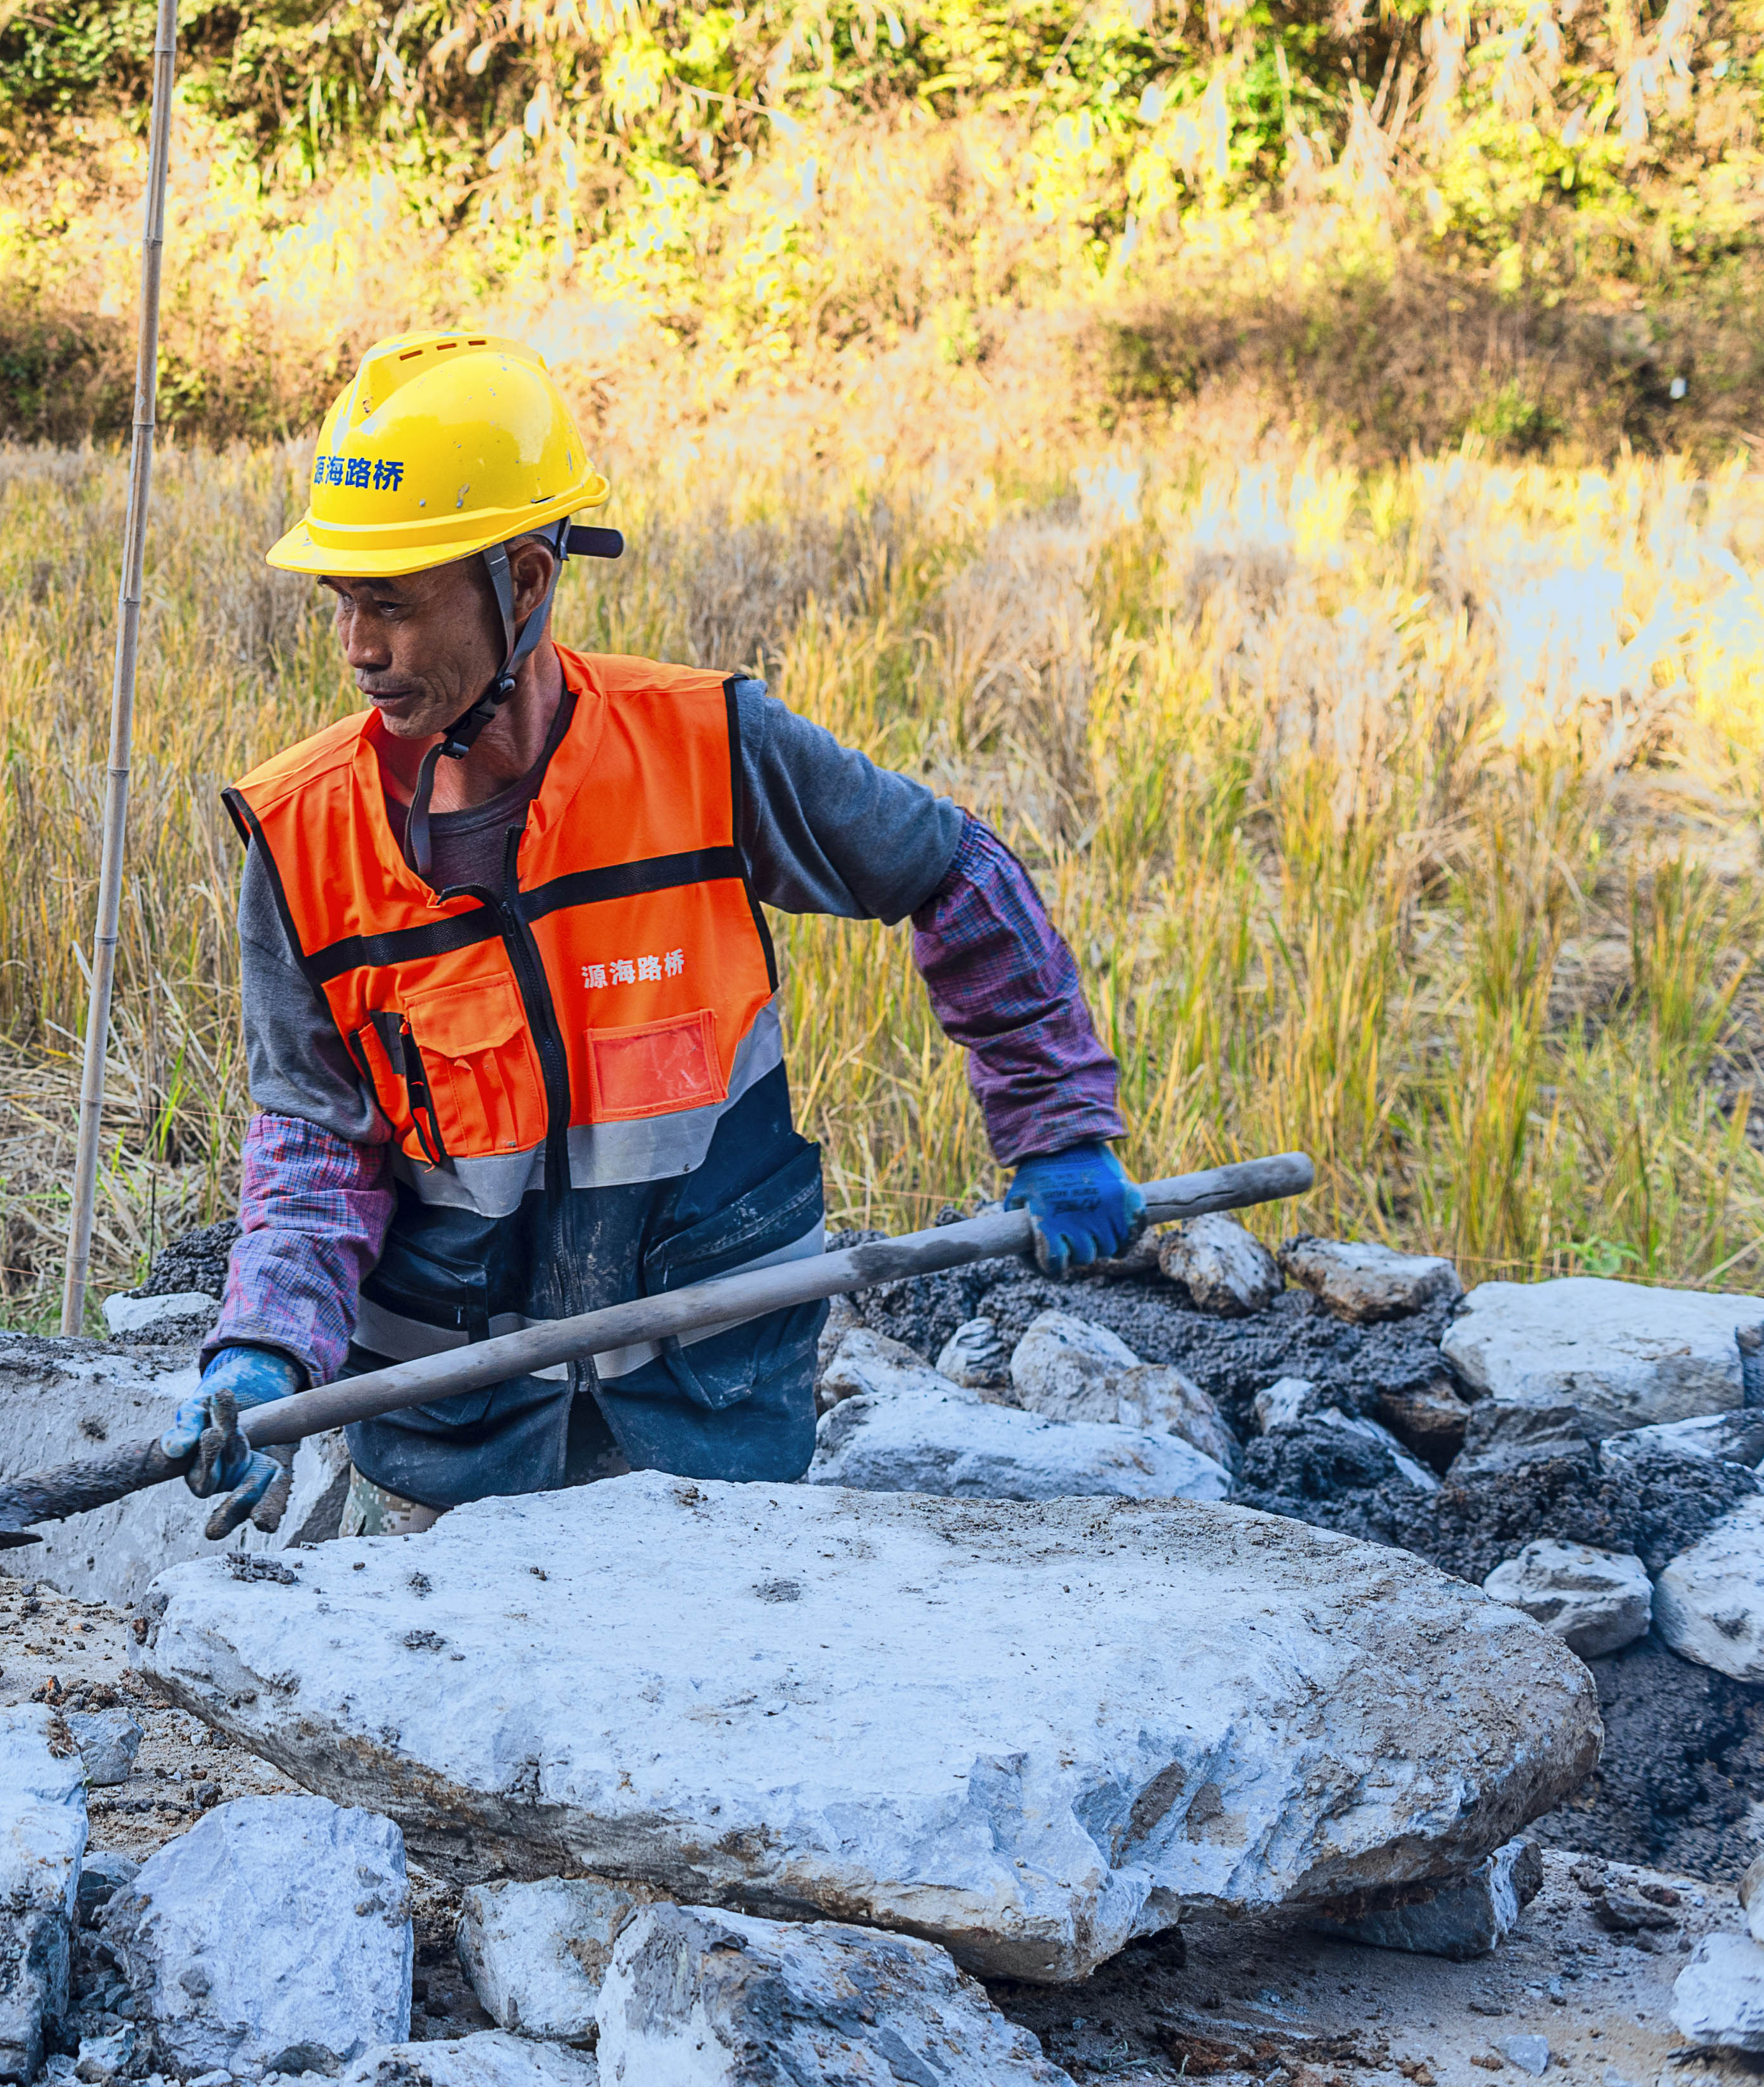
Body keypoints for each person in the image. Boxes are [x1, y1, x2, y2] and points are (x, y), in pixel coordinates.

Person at [168, 334, 1133, 1532]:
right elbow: (316, 1152)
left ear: (522, 580)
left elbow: (956, 876)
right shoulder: (305, 837)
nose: (360, 649)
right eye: (344, 604)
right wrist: (265, 1349)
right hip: (452, 1452)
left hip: (707, 1406)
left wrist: (1057, 1126)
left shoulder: (708, 750)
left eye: (394, 604)